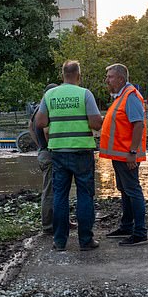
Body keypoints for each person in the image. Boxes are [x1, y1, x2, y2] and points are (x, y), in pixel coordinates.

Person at [35, 61, 102, 251]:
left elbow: (39, 122)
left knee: (60, 196)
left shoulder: (50, 94)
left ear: (62, 74)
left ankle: (59, 241)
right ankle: (86, 240)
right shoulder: (84, 94)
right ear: (78, 75)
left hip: (58, 152)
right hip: (82, 151)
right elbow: (97, 124)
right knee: (85, 196)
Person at [99, 63, 148, 246]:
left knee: (133, 191)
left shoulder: (130, 96)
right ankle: (127, 226)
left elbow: (138, 125)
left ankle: (140, 232)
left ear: (120, 78)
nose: (107, 80)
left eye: (110, 77)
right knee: (126, 190)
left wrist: (132, 153)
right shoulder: (121, 96)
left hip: (127, 155)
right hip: (120, 155)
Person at [28, 83, 58, 235]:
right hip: (49, 154)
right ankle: (48, 225)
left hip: (42, 153)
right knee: (51, 190)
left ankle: (59, 221)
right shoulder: (47, 109)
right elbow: (46, 131)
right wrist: (49, 147)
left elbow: (29, 127)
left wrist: (38, 145)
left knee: (54, 189)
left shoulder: (36, 110)